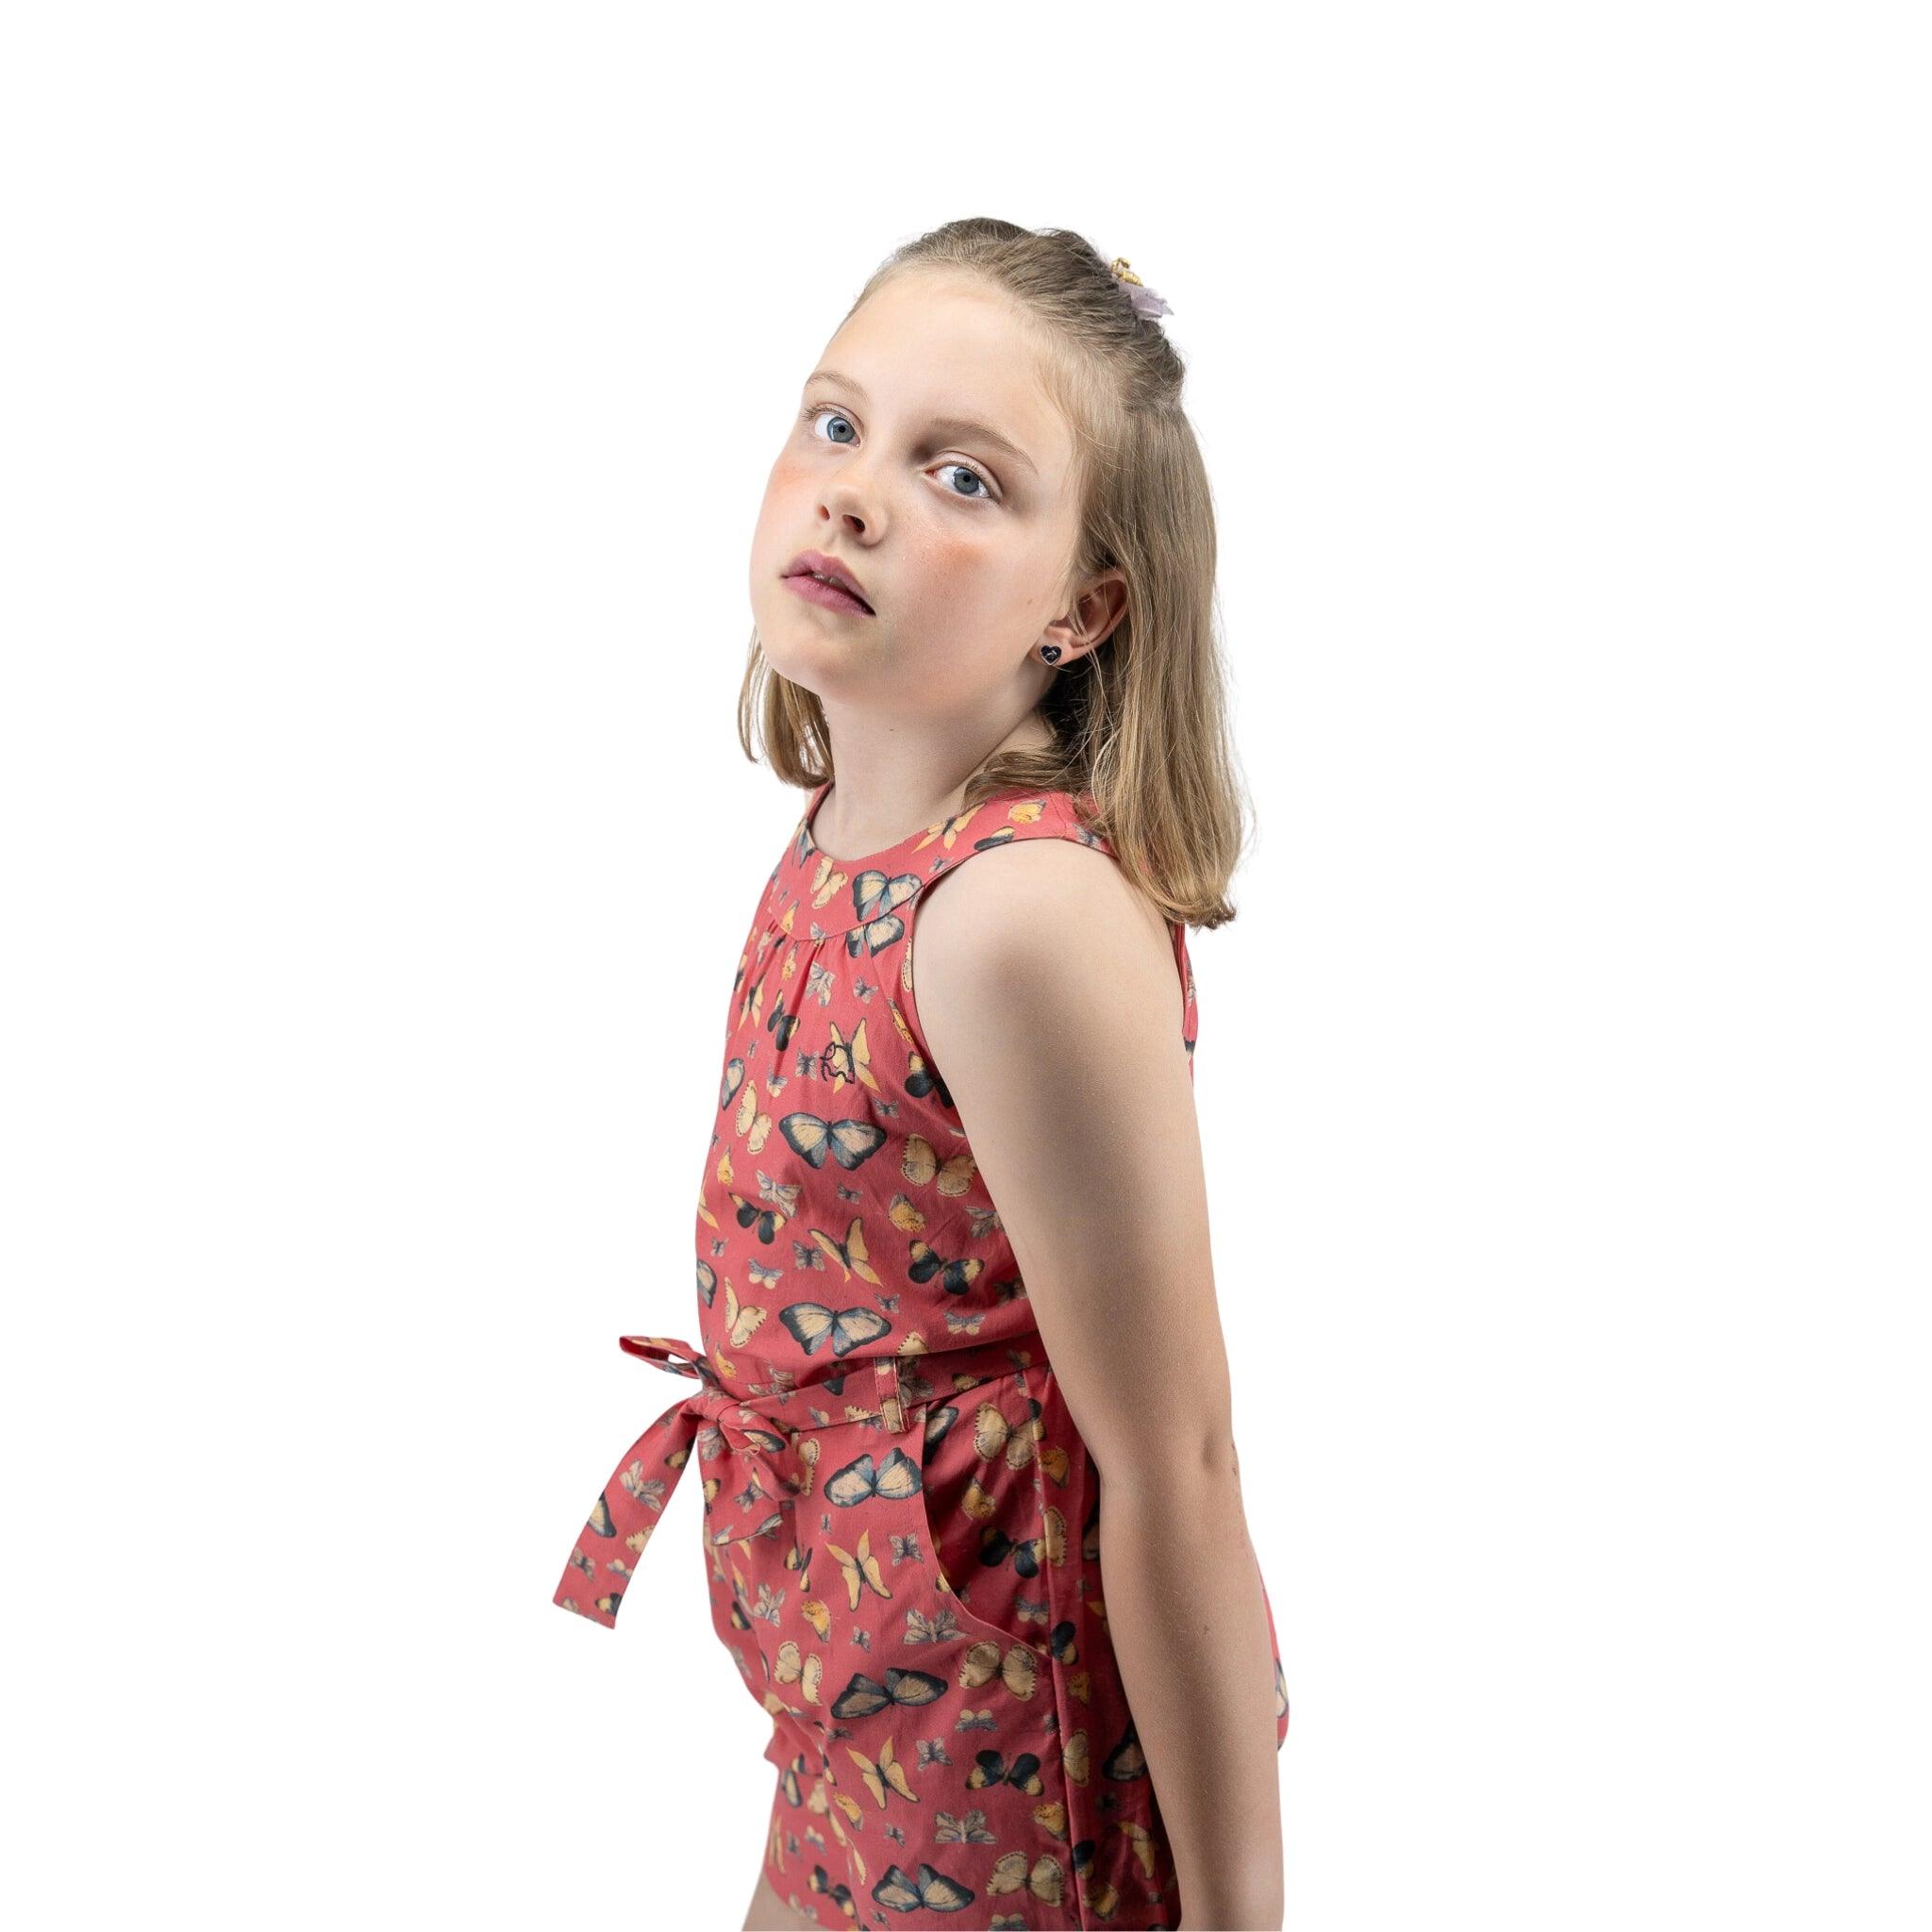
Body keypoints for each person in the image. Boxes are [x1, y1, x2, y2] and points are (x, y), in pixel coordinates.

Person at [553, 218, 1291, 1931]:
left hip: (1006, 1757)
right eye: (837, 425)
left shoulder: (1014, 917)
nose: (859, 494)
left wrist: (1241, 1915)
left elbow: (1173, 1455)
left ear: (1084, 608)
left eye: (964, 477)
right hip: (859, 1683)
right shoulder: (846, 845)